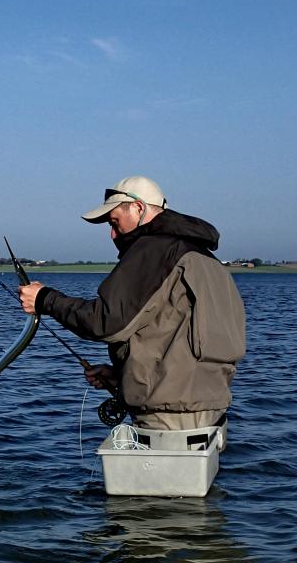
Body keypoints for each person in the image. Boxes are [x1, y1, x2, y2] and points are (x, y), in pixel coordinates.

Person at [18, 176, 246, 431]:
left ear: (139, 208)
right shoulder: (207, 259)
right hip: (210, 416)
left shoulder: (155, 249)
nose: (112, 234)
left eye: (115, 222)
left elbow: (105, 322)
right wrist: (125, 375)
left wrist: (45, 299)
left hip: (167, 420)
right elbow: (184, 338)